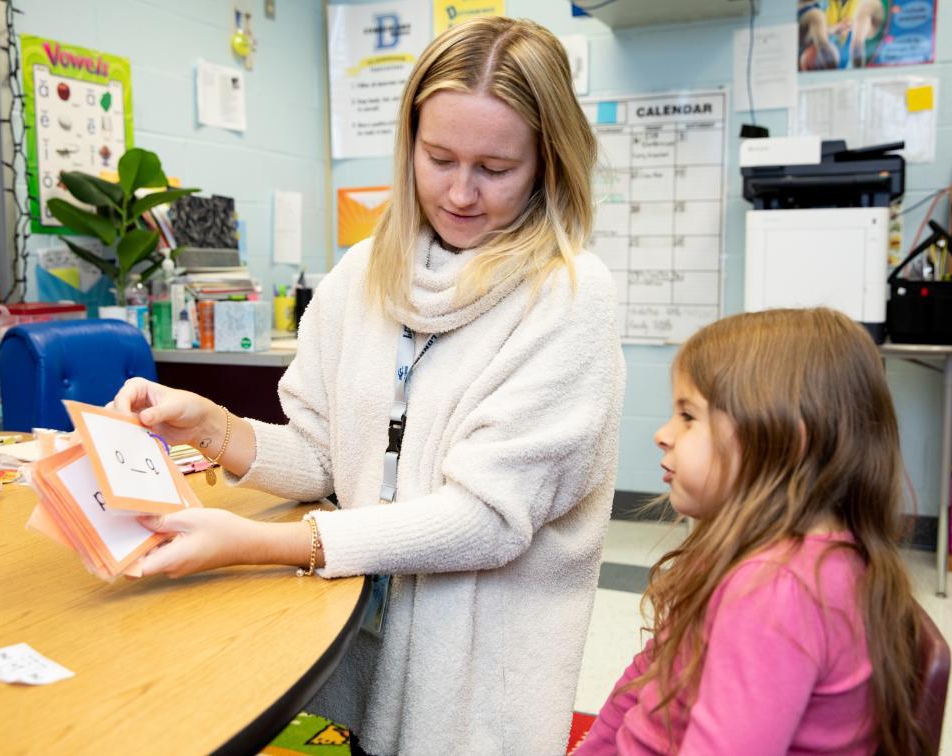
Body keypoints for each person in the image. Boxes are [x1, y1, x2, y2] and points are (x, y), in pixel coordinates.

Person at [111, 17, 625, 756]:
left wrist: (266, 543)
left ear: (548, 163)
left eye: (495, 167)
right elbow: (326, 453)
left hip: (476, 690)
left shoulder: (570, 296)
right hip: (361, 646)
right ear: (409, 141)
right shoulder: (363, 272)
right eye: (438, 156)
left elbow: (485, 520)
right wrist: (216, 428)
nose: (459, 191)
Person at [576, 308, 933, 756]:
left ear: (783, 440)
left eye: (688, 416)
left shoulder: (778, 590)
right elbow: (645, 680)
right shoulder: (752, 556)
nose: (663, 435)